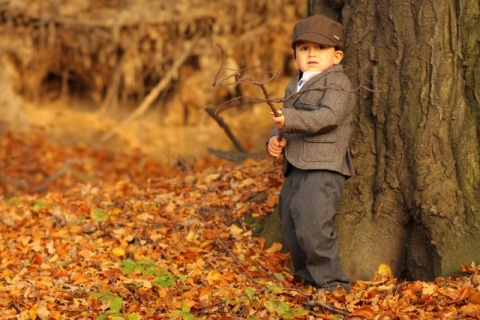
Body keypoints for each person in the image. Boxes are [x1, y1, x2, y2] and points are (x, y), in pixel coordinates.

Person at [266, 14, 355, 293]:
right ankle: (307, 278)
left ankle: (333, 285)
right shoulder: (294, 85)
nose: (312, 54)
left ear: (336, 56)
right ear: (295, 57)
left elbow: (327, 117)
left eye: (320, 48)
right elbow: (284, 122)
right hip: (295, 164)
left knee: (314, 224)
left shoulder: (338, 83)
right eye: (304, 48)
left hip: (323, 165)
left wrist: (288, 120)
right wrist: (274, 139)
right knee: (292, 223)